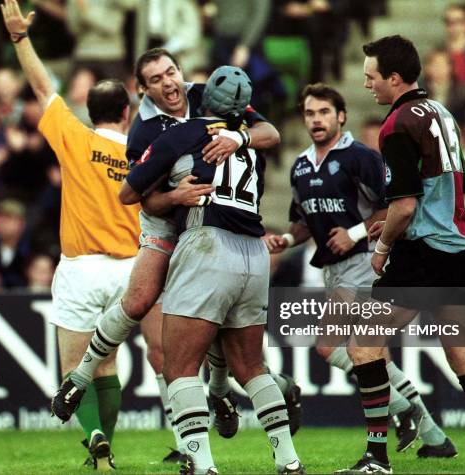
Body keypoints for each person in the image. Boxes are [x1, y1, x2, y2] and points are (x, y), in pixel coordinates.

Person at [51, 47, 301, 463]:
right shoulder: (147, 127)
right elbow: (142, 200)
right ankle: (80, 377)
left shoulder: (209, 95)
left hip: (207, 231)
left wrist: (237, 137)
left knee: (183, 348)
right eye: (156, 79)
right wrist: (176, 194)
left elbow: (268, 131)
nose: (168, 83)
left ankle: (214, 408)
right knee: (139, 300)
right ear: (142, 89)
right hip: (174, 220)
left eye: (171, 72)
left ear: (181, 72)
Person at [338, 34, 465, 474]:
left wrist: (383, 245)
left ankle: (377, 457)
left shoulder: (397, 125)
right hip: (456, 245)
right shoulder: (443, 113)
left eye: (371, 77)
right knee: (462, 351)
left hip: (422, 251)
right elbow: (458, 184)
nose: (367, 86)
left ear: (394, 79)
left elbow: (406, 203)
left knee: (363, 342)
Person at [121, 65, 304, 475]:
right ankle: (289, 461)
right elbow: (269, 132)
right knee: (252, 367)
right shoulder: (249, 143)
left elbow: (128, 193)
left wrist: (170, 192)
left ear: (202, 100)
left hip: (207, 244)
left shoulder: (179, 135)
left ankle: (202, 466)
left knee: (180, 367)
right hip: (254, 255)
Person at [264, 83, 456, 458]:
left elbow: (397, 206)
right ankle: (435, 438)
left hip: (365, 263)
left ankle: (403, 411)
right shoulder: (302, 165)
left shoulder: (360, 157)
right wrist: (286, 240)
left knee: (329, 346)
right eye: (309, 113)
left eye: (323, 112)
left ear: (341, 116)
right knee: (375, 355)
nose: (316, 120)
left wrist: (353, 233)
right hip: (334, 270)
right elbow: (303, 221)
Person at [0, 0, 140, 469]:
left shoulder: (75, 139)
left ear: (89, 108)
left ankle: (94, 436)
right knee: (108, 365)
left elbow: (42, 86)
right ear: (127, 111)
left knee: (73, 369)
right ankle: (107, 449)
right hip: (129, 272)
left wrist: (21, 38)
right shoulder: (144, 155)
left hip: (82, 268)